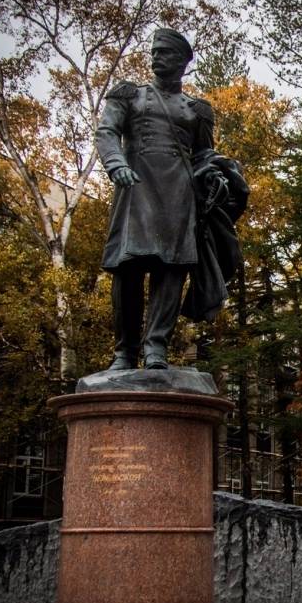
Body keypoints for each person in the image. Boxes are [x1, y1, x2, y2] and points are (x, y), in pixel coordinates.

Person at [95, 28, 243, 370]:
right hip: (135, 191)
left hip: (179, 196)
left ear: (182, 61)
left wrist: (216, 178)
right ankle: (125, 352)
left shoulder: (196, 110)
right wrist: (116, 164)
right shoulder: (129, 95)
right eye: (154, 51)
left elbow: (205, 155)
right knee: (127, 269)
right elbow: (106, 132)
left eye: (164, 52)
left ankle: (156, 347)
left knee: (171, 269)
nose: (156, 57)